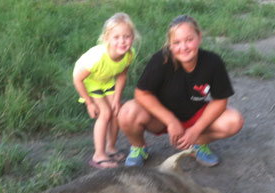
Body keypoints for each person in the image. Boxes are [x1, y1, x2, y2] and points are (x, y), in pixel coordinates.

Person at [118, 14, 243, 167]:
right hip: (161, 119)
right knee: (127, 112)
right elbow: (141, 93)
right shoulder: (161, 60)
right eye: (176, 42)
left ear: (199, 37)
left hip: (194, 116)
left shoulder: (213, 62)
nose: (183, 47)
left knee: (234, 121)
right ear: (170, 44)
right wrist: (170, 120)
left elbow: (220, 100)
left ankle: (198, 144)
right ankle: (139, 148)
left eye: (189, 40)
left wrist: (196, 130)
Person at [73, 13, 138, 169]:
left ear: (133, 37)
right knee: (105, 113)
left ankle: (110, 147)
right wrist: (89, 102)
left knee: (116, 111)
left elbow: (122, 74)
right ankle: (98, 155)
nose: (122, 41)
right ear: (107, 38)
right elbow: (77, 78)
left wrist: (116, 98)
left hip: (106, 81)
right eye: (116, 37)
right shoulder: (98, 57)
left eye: (126, 36)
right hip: (89, 82)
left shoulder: (129, 55)